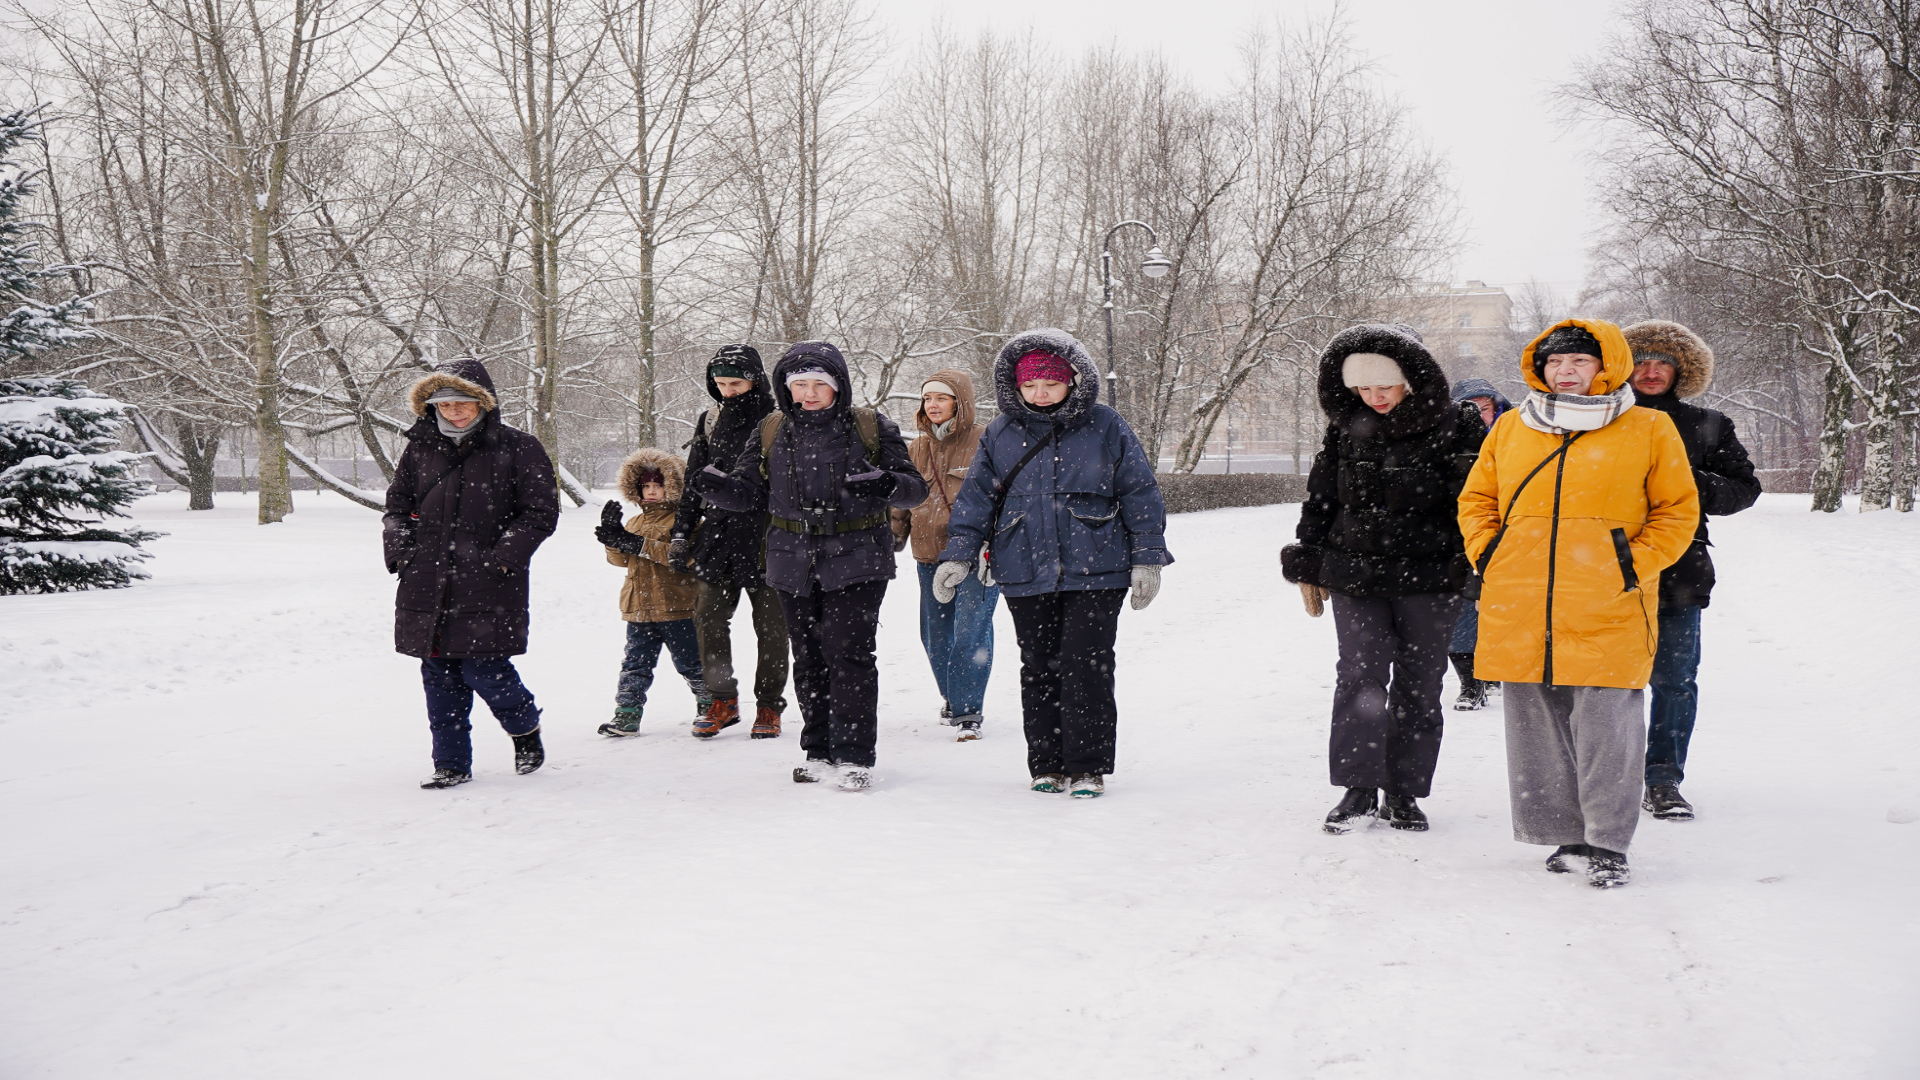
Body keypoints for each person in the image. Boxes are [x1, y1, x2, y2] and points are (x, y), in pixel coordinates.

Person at [1459, 319, 1698, 887]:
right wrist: (1491, 554)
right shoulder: (1513, 428)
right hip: (1520, 595)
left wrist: (1627, 563)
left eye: (1579, 363)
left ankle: (1607, 841)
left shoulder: (1649, 427)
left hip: (1605, 598)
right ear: (1539, 369)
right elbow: (1477, 499)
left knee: (1608, 724)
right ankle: (1564, 833)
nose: (1565, 372)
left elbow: (1676, 510)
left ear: (1605, 366)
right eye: (1555, 363)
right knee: (1537, 721)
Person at [932, 329, 1171, 799]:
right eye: (1030, 386)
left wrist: (1147, 558)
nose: (1040, 394)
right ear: (1015, 387)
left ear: (1071, 381)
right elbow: (977, 498)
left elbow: (1140, 493)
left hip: (1098, 566)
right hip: (1023, 566)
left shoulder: (1106, 425)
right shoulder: (1000, 432)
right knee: (1038, 665)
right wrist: (959, 553)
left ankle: (1087, 766)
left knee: (1087, 665)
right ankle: (1046, 763)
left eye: (1050, 384)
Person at [691, 342, 928, 790]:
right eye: (800, 384)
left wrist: (884, 484)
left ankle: (855, 755)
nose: (810, 393)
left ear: (838, 385)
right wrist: (716, 488)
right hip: (790, 558)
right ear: (785, 387)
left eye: (820, 383)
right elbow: (748, 491)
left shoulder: (870, 426)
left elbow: (915, 490)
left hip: (858, 557)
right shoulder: (771, 428)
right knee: (808, 657)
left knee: (849, 654)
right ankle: (818, 750)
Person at [1280, 325, 1486, 833]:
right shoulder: (1346, 428)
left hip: (1431, 576)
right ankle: (1358, 786)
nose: (1374, 398)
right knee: (1360, 677)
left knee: (1420, 682)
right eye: (1364, 389)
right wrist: (1309, 558)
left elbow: (1478, 501)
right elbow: (1322, 498)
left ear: (1411, 382)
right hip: (1357, 574)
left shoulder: (1457, 426)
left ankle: (1404, 791)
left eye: (1385, 387)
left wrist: (1478, 564)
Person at [382, 355, 559, 790]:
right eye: (443, 405)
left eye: (462, 403)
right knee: (439, 675)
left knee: (485, 670)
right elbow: (396, 507)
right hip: (427, 579)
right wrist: (402, 551)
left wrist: (502, 557)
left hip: (488, 579)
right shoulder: (420, 447)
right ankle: (451, 764)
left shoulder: (518, 447)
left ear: (483, 403)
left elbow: (539, 513)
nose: (453, 412)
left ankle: (524, 729)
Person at [1621, 319, 1760, 821]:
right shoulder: (1599, 419)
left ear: (1682, 369)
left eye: (1664, 362)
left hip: (1681, 570)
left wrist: (1685, 480)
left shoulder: (1708, 424)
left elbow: (1744, 490)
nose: (1652, 371)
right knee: (1606, 683)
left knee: (1675, 680)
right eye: (1642, 360)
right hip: (1607, 570)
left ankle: (1663, 779)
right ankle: (1607, 777)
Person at [671, 344, 790, 740]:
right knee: (708, 620)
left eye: (735, 383)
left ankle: (770, 705)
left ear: (755, 379)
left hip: (768, 538)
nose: (727, 391)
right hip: (718, 539)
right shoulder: (709, 421)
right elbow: (693, 481)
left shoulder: (778, 420)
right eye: (720, 384)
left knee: (771, 627)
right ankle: (722, 700)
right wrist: (681, 533)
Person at [891, 369, 999, 742]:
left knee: (970, 634)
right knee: (936, 637)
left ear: (960, 402)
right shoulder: (917, 447)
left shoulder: (987, 440)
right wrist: (891, 538)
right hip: (927, 555)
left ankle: (968, 712)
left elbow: (1001, 497)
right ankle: (952, 699)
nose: (932, 405)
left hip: (975, 556)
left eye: (941, 398)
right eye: (927, 398)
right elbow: (903, 501)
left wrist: (994, 545)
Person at [593, 448, 707, 736]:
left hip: (677, 606)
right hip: (638, 608)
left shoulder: (683, 522)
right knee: (634, 665)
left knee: (690, 662)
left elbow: (686, 560)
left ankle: (710, 704)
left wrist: (639, 545)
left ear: (671, 487)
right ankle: (626, 714)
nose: (652, 491)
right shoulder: (635, 522)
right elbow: (619, 561)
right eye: (646, 486)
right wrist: (613, 538)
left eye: (658, 486)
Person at [1445, 376, 1513, 711]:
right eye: (1472, 409)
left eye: (1486, 408)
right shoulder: (1445, 442)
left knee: (1498, 610)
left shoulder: (1518, 437)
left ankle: (1494, 670)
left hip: (1510, 538)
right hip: (1458, 538)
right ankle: (1470, 684)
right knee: (1459, 614)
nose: (1481, 415)